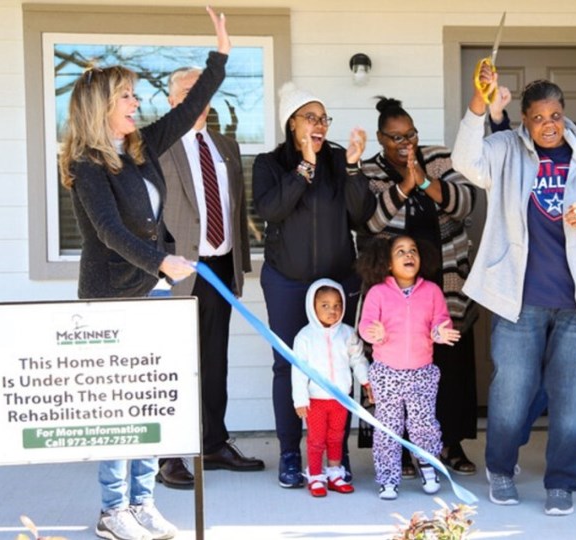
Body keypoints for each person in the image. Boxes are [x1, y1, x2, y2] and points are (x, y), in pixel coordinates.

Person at [58, 7, 229, 540]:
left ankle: (143, 503)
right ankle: (113, 512)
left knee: (150, 400)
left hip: (152, 295)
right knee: (118, 407)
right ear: (104, 107)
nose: (138, 103)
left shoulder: (138, 148)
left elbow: (189, 110)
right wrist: (161, 261)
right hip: (112, 297)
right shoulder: (88, 163)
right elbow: (108, 232)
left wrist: (219, 57)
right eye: (128, 97)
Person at [451, 66, 576, 516]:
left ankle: (562, 484)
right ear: (524, 120)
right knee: (510, 392)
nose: (548, 124)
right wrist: (479, 103)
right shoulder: (505, 149)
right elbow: (464, 161)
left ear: (563, 113)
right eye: (537, 117)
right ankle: (502, 469)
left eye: (555, 114)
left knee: (572, 400)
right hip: (520, 300)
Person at [252, 82, 376, 489]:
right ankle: (291, 452)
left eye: (324, 118)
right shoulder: (270, 164)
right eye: (311, 117)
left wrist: (355, 167)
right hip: (287, 281)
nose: (320, 125)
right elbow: (271, 209)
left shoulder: (340, 160)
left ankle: (336, 457)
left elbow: (362, 217)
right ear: (293, 124)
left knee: (342, 362)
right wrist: (304, 166)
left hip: (338, 280)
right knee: (288, 364)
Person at [155, 66, 263, 490]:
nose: (198, 96)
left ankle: (213, 442)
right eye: (188, 89)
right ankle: (168, 455)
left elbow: (235, 211)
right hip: (176, 269)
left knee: (214, 361)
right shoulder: (155, 146)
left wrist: (240, 266)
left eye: (204, 89)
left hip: (219, 267)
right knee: (175, 364)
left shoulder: (225, 145)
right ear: (170, 101)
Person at [359, 96, 479, 476]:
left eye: (410, 134)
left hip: (446, 280)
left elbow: (466, 203)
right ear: (381, 138)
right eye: (395, 137)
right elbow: (371, 224)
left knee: (449, 364)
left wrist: (424, 181)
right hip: (395, 293)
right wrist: (404, 186)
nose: (405, 143)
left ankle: (452, 443)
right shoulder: (370, 172)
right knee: (399, 370)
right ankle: (401, 449)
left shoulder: (439, 157)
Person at [357, 235, 461, 500]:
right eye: (400, 252)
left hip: (422, 372)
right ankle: (388, 477)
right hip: (387, 372)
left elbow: (441, 322)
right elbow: (365, 325)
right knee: (388, 427)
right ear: (388, 263)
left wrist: (440, 333)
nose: (408, 255)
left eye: (413, 250)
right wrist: (374, 333)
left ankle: (428, 466)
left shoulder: (432, 292)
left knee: (423, 424)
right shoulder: (378, 292)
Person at [292, 279, 373, 497]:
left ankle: (335, 474)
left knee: (337, 438)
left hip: (341, 400)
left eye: (337, 305)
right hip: (316, 401)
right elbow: (298, 371)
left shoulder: (347, 333)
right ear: (313, 307)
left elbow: (358, 359)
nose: (332, 310)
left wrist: (366, 381)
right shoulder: (305, 337)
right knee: (316, 440)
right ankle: (316, 476)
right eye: (325, 305)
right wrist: (300, 400)